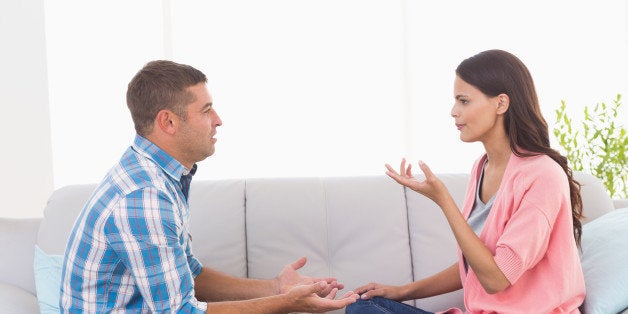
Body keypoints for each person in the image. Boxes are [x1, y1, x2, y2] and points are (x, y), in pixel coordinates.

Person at [59, 60, 358, 313]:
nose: (218, 120)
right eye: (206, 110)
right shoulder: (144, 196)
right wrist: (285, 303)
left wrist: (276, 288)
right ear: (169, 122)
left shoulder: (157, 176)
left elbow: (189, 272)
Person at [346, 49, 586, 313]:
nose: (453, 111)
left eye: (464, 101)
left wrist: (443, 200)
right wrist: (401, 291)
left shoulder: (542, 175)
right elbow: (475, 266)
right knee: (364, 306)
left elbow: (496, 279)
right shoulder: (482, 167)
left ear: (500, 104)